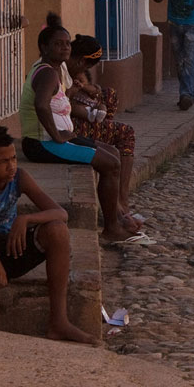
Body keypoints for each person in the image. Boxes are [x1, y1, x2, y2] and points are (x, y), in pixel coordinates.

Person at [0, 126, 95, 344]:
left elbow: (61, 213)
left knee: (57, 230)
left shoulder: (19, 178)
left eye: (13, 158)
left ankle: (59, 322)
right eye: (3, 161)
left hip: (11, 250)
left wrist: (26, 219)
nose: (11, 165)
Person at [19, 13, 138, 241]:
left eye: (67, 44)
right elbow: (41, 106)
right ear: (44, 47)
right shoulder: (47, 73)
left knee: (112, 152)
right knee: (111, 164)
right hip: (42, 142)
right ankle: (111, 227)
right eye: (58, 44)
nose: (65, 48)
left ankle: (118, 217)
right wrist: (57, 135)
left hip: (55, 138)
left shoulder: (54, 70)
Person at [66, 34, 139, 225]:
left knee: (108, 95)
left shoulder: (74, 71)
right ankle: (120, 202)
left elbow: (89, 88)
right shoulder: (60, 70)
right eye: (88, 66)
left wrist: (91, 89)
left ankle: (122, 199)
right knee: (126, 133)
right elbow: (62, 100)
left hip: (83, 112)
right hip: (70, 123)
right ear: (82, 60)